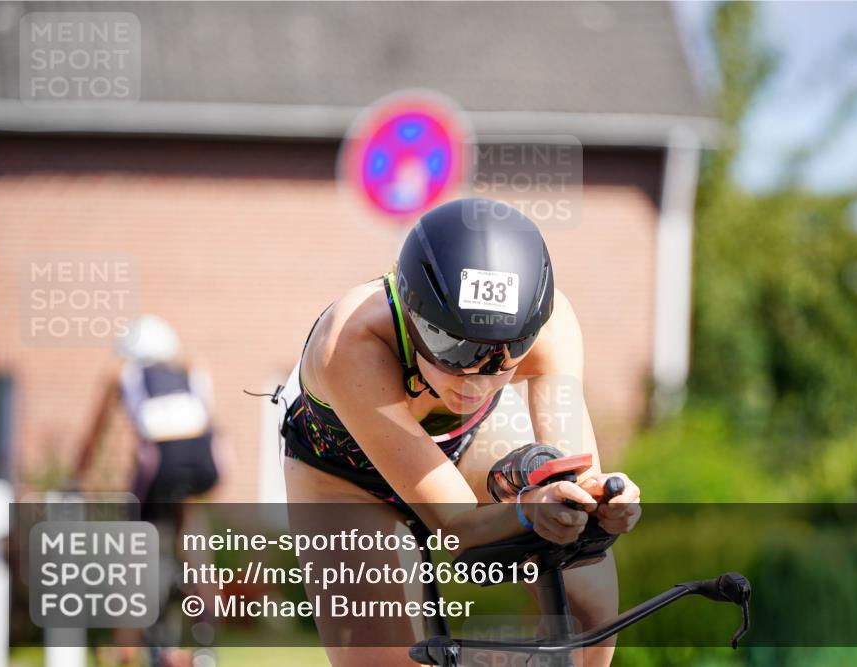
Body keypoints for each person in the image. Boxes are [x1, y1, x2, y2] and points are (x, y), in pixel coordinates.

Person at [281, 198, 641, 666]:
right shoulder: (350, 342)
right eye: (454, 349)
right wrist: (530, 512)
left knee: (590, 598)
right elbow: (456, 525)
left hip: (464, 442)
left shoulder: (551, 325)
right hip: (341, 477)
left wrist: (596, 504)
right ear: (414, 315)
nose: (478, 381)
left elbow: (571, 478)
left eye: (504, 356)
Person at [77, 315, 221, 667]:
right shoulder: (193, 368)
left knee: (134, 551)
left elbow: (96, 434)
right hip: (203, 463)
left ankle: (125, 648)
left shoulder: (123, 373)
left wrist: (77, 478)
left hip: (161, 464)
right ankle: (205, 641)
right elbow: (209, 424)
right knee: (193, 540)